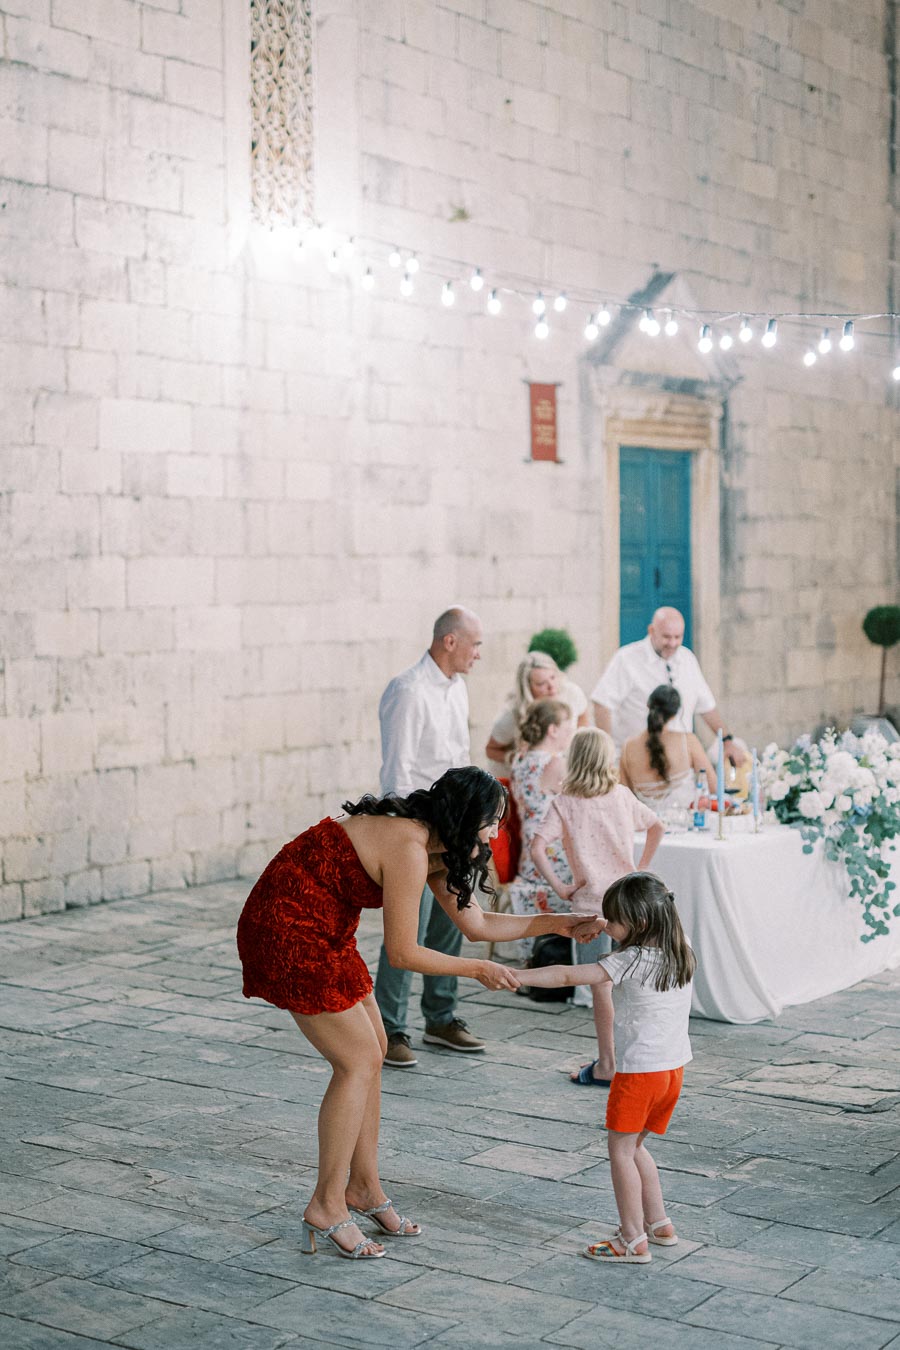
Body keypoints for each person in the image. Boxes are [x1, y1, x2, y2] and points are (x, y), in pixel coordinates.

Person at [236, 767, 604, 1261]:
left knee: (376, 1050)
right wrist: (476, 971)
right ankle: (325, 1205)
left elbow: (478, 924)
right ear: (465, 817)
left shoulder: (436, 849)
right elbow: (404, 953)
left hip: (327, 926)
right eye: (491, 822)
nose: (495, 834)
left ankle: (362, 1189)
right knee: (357, 1062)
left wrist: (561, 922)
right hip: (286, 924)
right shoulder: (409, 847)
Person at [515, 871, 695, 1264]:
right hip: (673, 1071)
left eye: (613, 919)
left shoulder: (629, 960)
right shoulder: (679, 948)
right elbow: (637, 926)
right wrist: (605, 922)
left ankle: (632, 1238)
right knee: (636, 1147)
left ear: (640, 924)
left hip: (639, 1075)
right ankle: (659, 1223)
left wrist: (516, 976)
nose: (607, 926)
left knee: (619, 1152)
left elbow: (566, 973)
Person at [375, 607, 486, 1068]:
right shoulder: (407, 690)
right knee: (409, 928)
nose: (480, 654)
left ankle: (441, 1018)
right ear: (450, 642)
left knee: (452, 920)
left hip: (452, 828)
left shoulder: (457, 688)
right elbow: (397, 771)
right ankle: (389, 1027)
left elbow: (459, 760)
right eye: (475, 644)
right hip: (414, 830)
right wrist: (406, 839)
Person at [531, 728, 664, 1086]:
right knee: (636, 979)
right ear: (607, 759)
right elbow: (656, 826)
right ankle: (641, 1056)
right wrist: (642, 867)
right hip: (628, 903)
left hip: (589, 907)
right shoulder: (621, 796)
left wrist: (560, 886)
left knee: (600, 986)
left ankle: (607, 1063)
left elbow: (537, 846)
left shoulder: (564, 802)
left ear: (574, 760)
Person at [591, 607, 746, 766]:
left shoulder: (688, 659)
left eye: (677, 637)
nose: (672, 643)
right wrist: (607, 754)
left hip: (680, 762)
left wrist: (727, 741)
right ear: (652, 630)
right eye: (666, 637)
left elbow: (706, 707)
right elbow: (601, 703)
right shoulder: (626, 659)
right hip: (638, 762)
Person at [504, 699, 576, 954]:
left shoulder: (520, 760)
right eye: (568, 727)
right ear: (553, 729)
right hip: (551, 853)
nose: (571, 733)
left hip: (529, 854)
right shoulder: (555, 763)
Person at [619, 684, 717, 815]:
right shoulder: (688, 741)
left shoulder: (628, 747)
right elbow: (714, 787)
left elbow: (624, 800)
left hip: (645, 832)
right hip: (686, 830)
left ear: (648, 706)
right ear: (676, 712)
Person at [486, 651, 590, 766]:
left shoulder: (572, 693)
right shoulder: (513, 713)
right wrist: (516, 759)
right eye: (541, 684)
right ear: (527, 688)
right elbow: (491, 750)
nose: (551, 686)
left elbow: (583, 721)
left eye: (553, 677)